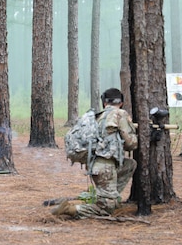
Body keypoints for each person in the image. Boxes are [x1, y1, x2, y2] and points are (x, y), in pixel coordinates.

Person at [52, 88, 138, 219]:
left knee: (130, 164)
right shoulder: (120, 114)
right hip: (105, 166)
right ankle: (71, 209)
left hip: (95, 164)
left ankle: (111, 197)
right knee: (106, 209)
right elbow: (131, 144)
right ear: (121, 103)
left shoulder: (98, 117)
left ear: (104, 102)